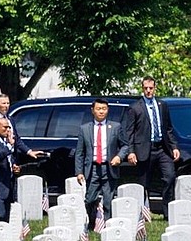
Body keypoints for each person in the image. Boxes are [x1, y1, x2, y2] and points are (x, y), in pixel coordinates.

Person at [126, 76, 180, 219]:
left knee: (169, 177)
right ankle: (143, 213)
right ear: (142, 89)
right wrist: (130, 152)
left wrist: (174, 147)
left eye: (151, 88)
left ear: (155, 88)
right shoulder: (135, 108)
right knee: (144, 182)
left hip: (162, 148)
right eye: (146, 88)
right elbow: (129, 132)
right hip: (144, 149)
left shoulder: (162, 105)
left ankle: (168, 212)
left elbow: (168, 128)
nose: (148, 91)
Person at [75, 99, 129, 228]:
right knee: (90, 199)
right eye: (98, 109)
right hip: (92, 168)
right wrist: (79, 172)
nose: (101, 111)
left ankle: (107, 225)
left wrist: (119, 157)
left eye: (104, 109)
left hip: (109, 167)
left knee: (108, 200)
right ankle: (91, 223)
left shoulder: (115, 127)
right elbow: (79, 152)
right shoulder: (85, 129)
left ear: (107, 110)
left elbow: (125, 145)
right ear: (93, 110)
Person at [0, 94, 44, 159]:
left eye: (8, 103)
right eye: (3, 103)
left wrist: (29, 151)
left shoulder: (10, 119)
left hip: (9, 159)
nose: (6, 106)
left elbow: (16, 139)